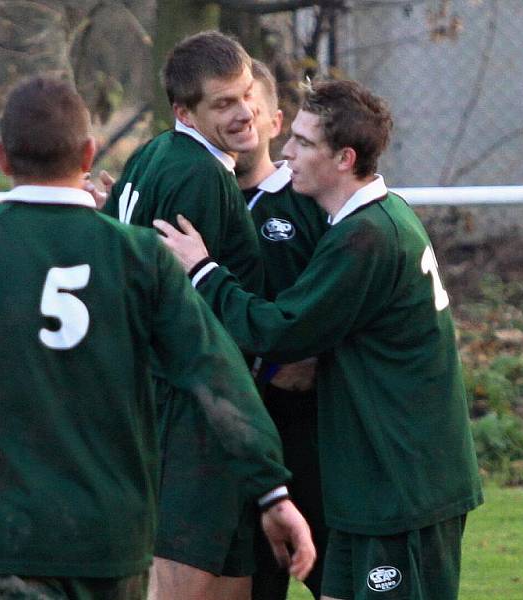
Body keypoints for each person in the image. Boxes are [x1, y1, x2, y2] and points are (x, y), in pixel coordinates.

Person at [0, 76, 316, 600]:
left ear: (1, 157)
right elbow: (215, 373)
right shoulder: (142, 258)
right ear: (89, 153)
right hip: (110, 534)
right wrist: (271, 490)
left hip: (0, 532)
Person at [155, 79, 484, 600]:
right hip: (364, 486)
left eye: (304, 143)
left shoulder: (369, 238)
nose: (287, 151)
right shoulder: (359, 225)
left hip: (403, 485)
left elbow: (279, 329)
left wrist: (201, 270)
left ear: (343, 158)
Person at [102, 31, 270, 600]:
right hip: (191, 405)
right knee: (178, 581)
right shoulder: (198, 175)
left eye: (247, 94)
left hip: (189, 401)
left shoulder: (153, 153)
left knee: (229, 583)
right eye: (224, 103)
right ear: (185, 112)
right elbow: (178, 309)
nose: (246, 112)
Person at [237, 60, 329, 600]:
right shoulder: (205, 198)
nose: (238, 119)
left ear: (275, 122)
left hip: (305, 421)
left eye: (248, 106)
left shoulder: (308, 201)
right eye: (222, 106)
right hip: (237, 421)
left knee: (327, 562)